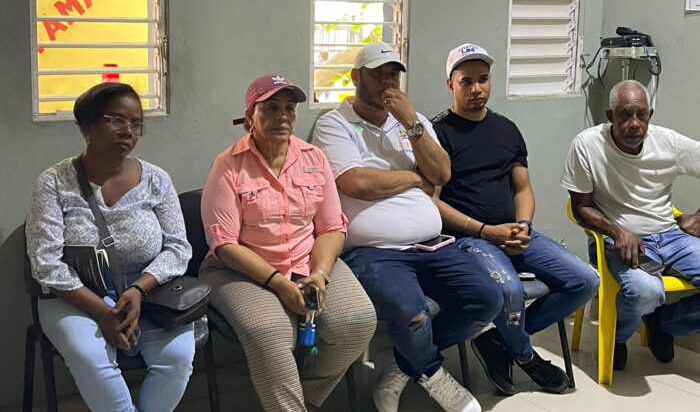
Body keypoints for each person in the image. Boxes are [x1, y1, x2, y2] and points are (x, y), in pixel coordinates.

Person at [313, 43, 503, 412]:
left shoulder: (414, 122)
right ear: (356, 77)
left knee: (488, 299)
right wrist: (416, 178)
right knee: (412, 312)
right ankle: (434, 375)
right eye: (378, 73)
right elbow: (357, 183)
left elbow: (441, 173)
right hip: (373, 252)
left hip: (433, 244)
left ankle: (404, 366)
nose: (387, 81)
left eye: (393, 74)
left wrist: (410, 121)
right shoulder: (334, 124)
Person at [199, 74, 376, 412]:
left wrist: (320, 274)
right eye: (271, 108)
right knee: (271, 332)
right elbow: (224, 244)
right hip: (239, 268)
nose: (282, 116)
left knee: (357, 321)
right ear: (250, 116)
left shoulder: (314, 158)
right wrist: (278, 284)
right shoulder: (228, 165)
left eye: (289, 108)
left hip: (307, 260)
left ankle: (302, 396)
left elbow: (331, 228)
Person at [431, 42, 599, 395]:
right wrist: (484, 230)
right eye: (466, 82)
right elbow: (432, 203)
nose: (476, 89)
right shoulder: (437, 133)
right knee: (509, 290)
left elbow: (523, 189)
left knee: (585, 280)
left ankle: (498, 341)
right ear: (450, 85)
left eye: (483, 79)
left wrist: (524, 226)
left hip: (516, 234)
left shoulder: (506, 129)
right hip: (469, 239)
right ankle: (526, 356)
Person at [26, 82, 195, 412]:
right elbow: (46, 263)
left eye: (136, 123)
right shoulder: (54, 183)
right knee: (93, 361)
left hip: (151, 294)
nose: (128, 131)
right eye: (116, 120)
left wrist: (138, 290)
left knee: (176, 358)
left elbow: (178, 248)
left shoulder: (157, 180)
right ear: (86, 126)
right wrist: (103, 312)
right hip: (76, 296)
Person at [562, 79, 700, 369]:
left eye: (641, 114)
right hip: (618, 239)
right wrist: (617, 231)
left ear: (650, 115)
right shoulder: (587, 144)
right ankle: (618, 337)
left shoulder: (668, 142)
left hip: (671, 234)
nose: (634, 123)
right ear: (610, 116)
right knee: (645, 291)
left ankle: (664, 323)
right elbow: (581, 207)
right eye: (625, 114)